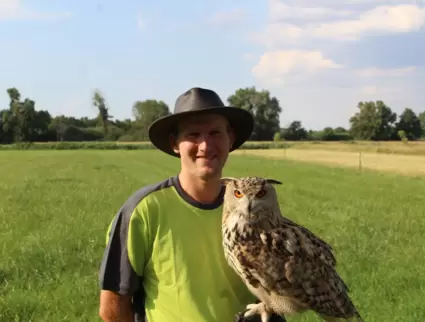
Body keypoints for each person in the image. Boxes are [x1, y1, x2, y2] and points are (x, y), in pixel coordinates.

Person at [98, 87, 286, 322]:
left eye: (215, 133)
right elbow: (112, 308)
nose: (205, 145)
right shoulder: (144, 210)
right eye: (193, 135)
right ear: (174, 143)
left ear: (231, 138)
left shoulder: (255, 208)